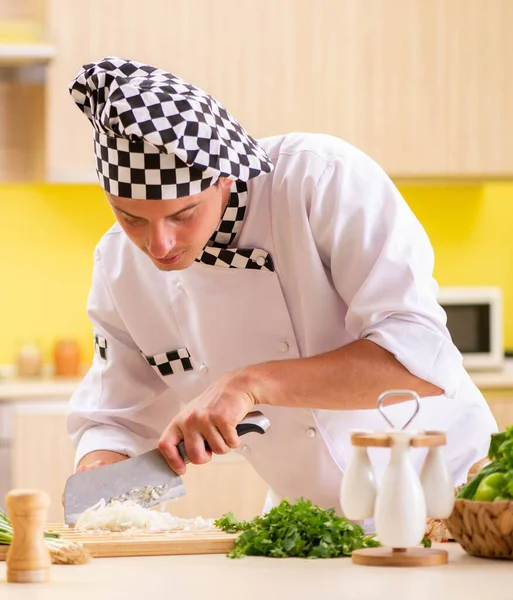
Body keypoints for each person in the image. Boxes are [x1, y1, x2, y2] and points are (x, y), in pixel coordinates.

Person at [66, 56, 497, 517]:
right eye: (130, 217)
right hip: (309, 523)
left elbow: (419, 362)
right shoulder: (118, 265)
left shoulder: (321, 180)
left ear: (225, 177)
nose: (159, 244)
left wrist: (246, 385)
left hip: (452, 497)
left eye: (183, 214)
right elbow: (115, 417)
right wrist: (102, 466)